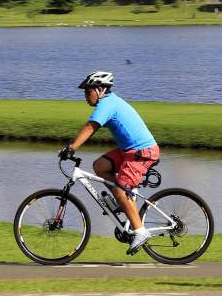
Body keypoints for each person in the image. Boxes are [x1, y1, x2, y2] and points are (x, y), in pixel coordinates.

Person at [61, 71, 160, 255]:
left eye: (88, 91)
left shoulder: (107, 104)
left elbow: (91, 127)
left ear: (100, 89)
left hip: (142, 152)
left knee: (120, 189)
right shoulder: (109, 101)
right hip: (129, 151)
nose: (85, 96)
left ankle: (140, 231)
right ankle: (123, 199)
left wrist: (72, 148)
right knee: (100, 166)